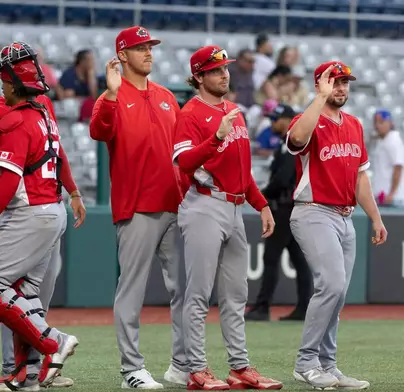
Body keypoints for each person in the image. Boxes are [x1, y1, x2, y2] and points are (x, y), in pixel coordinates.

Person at [0, 41, 79, 391]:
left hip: (29, 212)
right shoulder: (42, 111)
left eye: (3, 81)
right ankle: (26, 375)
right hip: (51, 209)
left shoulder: (13, 120)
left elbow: (9, 180)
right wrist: (72, 192)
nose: (1, 86)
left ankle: (52, 341)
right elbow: (58, 160)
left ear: (14, 83)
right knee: (25, 296)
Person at [172, 45, 282, 390]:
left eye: (225, 69)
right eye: (216, 70)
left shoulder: (235, 110)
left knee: (236, 295)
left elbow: (243, 169)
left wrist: (261, 204)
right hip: (204, 204)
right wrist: (215, 137)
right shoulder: (189, 112)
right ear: (199, 76)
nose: (224, 74)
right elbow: (183, 163)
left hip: (235, 206)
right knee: (199, 294)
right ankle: (196, 370)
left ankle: (239, 367)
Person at [89, 25, 188, 389]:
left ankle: (182, 364)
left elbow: (181, 152)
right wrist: (112, 94)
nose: (149, 52)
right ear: (123, 55)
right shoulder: (110, 98)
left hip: (174, 205)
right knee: (131, 291)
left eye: (150, 47)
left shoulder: (165, 96)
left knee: (185, 289)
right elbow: (99, 132)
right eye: (140, 47)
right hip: (136, 207)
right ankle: (131, 368)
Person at [286, 61, 387, 390]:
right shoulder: (310, 119)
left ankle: (327, 365)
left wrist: (375, 217)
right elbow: (295, 139)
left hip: (344, 217)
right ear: (320, 84)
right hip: (313, 211)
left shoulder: (355, 124)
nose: (341, 88)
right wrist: (319, 98)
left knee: (338, 292)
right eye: (335, 81)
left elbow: (361, 178)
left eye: (345, 82)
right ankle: (306, 363)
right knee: (330, 284)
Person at [244, 104, 312, 322]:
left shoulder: (293, 142)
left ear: (287, 119)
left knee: (271, 256)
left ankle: (263, 307)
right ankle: (304, 307)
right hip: (290, 206)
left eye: (276, 119)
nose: (272, 123)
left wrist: (261, 194)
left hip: (285, 206)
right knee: (299, 259)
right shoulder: (286, 143)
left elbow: (283, 179)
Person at [370, 109, 404, 206]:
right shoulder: (382, 140)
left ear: (389, 123)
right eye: (375, 122)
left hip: (392, 198)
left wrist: (392, 193)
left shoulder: (393, 140)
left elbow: (398, 167)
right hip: (382, 195)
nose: (377, 125)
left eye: (381, 122)